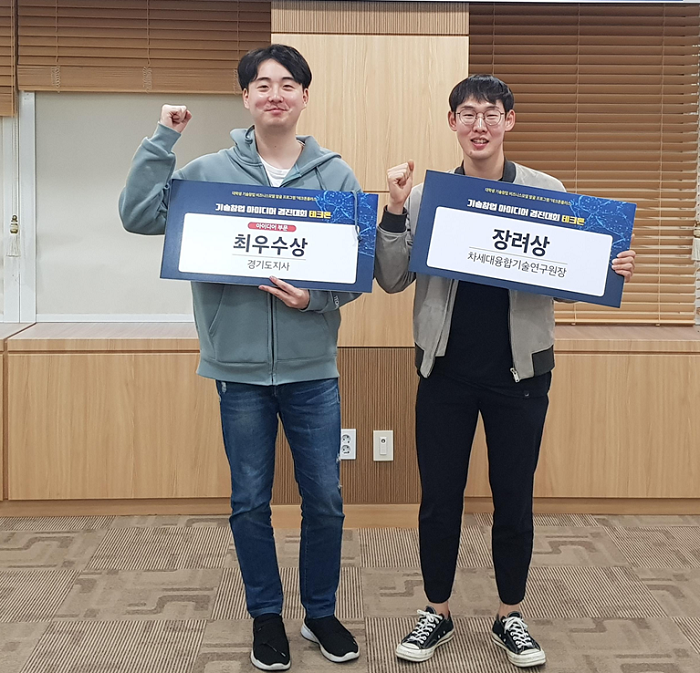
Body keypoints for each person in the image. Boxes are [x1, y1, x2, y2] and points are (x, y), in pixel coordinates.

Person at [374, 74, 636, 669]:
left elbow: (563, 278)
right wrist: (394, 210)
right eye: (467, 114)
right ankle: (436, 610)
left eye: (491, 113)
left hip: (521, 375)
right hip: (444, 371)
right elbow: (391, 278)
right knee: (439, 498)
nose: (480, 125)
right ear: (452, 123)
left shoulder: (546, 191)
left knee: (513, 498)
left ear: (509, 122)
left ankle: (509, 614)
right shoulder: (427, 196)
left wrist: (606, 266)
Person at [119, 44, 361, 672]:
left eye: (287, 84)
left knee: (325, 499)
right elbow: (138, 216)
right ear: (246, 97)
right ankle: (265, 616)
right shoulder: (206, 172)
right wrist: (162, 140)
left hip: (312, 370)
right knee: (250, 500)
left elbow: (355, 268)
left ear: (304, 96)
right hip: (237, 370)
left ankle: (320, 612)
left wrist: (315, 298)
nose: (275, 94)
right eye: (262, 84)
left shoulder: (335, 176)